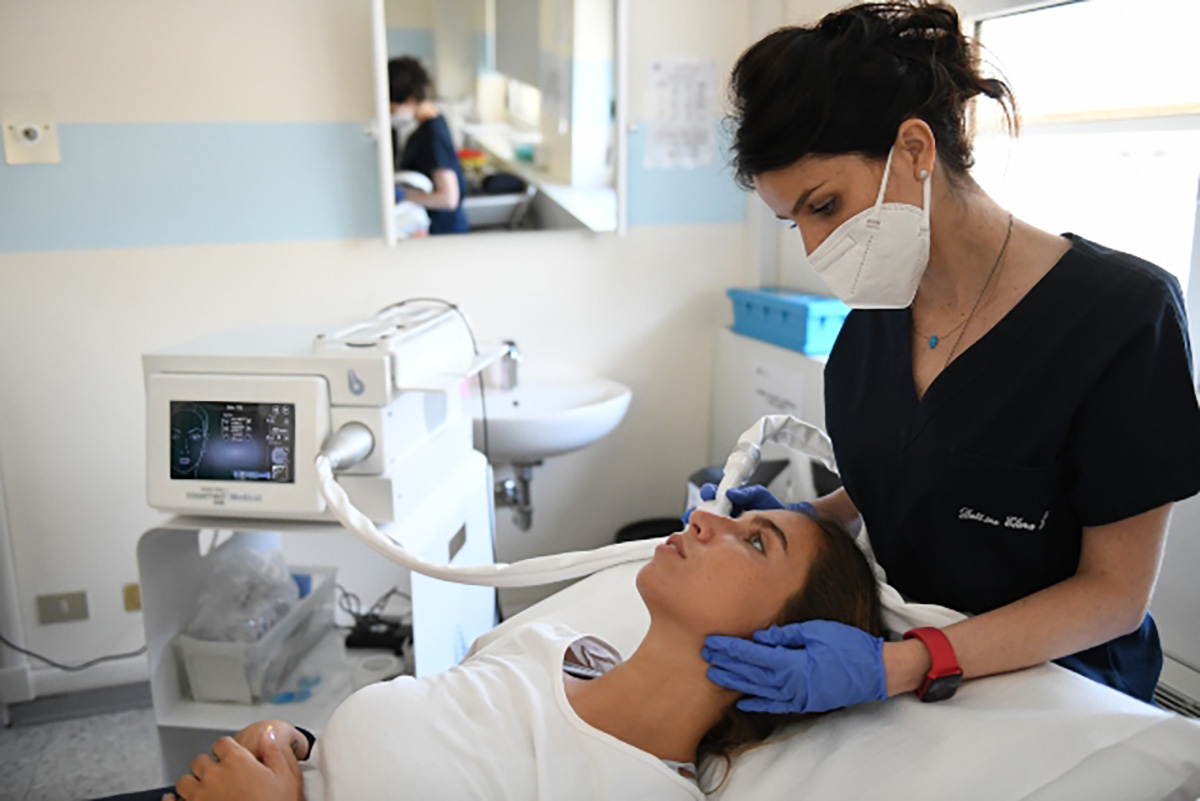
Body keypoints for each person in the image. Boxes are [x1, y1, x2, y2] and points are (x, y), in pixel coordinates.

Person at [695, 0, 1200, 719]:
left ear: (914, 150)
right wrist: (810, 520)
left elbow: (1113, 595)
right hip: (915, 674)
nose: (813, 248)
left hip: (1063, 696)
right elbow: (917, 483)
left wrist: (905, 662)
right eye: (794, 220)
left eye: (825, 204)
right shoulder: (877, 314)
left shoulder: (1122, 317)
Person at [98, 506, 883, 800]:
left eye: (755, 541)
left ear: (786, 643)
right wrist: (299, 746)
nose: (707, 517)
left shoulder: (633, 791)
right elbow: (440, 736)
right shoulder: (555, 645)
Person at [388, 56, 469, 235]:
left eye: (392, 109)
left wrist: (403, 196)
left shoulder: (433, 134)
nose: (392, 114)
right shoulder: (429, 126)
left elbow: (448, 199)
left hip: (444, 235)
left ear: (409, 101)